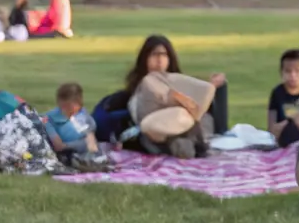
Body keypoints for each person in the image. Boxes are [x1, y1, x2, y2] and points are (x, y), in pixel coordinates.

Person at [92, 35, 230, 144]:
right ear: (144, 59)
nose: (159, 60)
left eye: (164, 55)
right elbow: (101, 119)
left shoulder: (177, 83)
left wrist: (213, 87)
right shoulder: (133, 93)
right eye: (154, 54)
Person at [45, 82, 99, 157]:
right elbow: (59, 146)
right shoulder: (49, 119)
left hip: (82, 149)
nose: (66, 110)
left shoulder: (81, 114)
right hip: (64, 153)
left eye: (70, 107)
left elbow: (91, 137)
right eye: (63, 107)